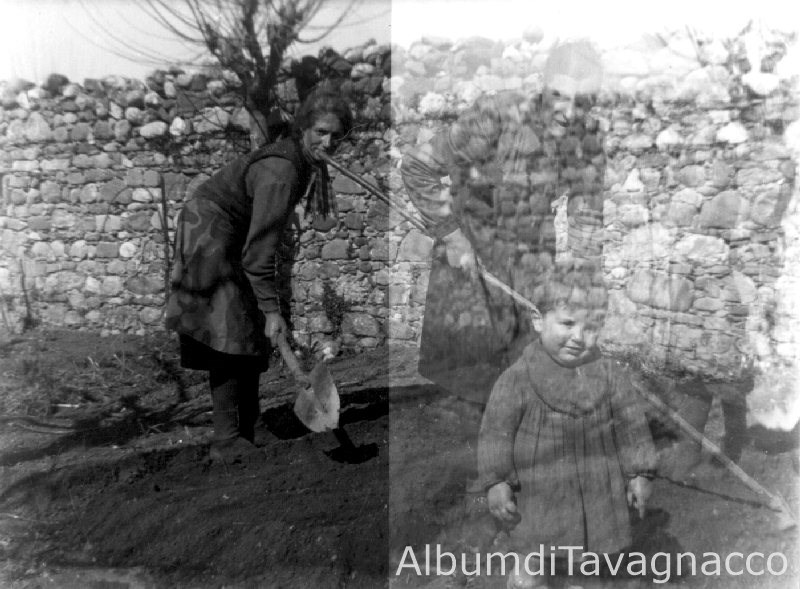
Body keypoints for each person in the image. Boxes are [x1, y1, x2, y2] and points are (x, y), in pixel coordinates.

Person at [400, 40, 606, 405]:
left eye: (583, 101)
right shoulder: (496, 115)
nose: (569, 112)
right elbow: (417, 166)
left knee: (531, 381)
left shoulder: (586, 140)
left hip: (532, 265)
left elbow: (586, 215)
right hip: (473, 261)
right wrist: (451, 236)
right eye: (559, 95)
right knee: (471, 387)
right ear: (543, 85)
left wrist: (581, 285)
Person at [165, 88, 353, 464]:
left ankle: (252, 425)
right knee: (226, 333)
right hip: (209, 232)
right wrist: (271, 310)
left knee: (248, 330)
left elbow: (261, 244)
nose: (328, 143)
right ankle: (226, 439)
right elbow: (259, 254)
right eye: (320, 132)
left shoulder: (302, 163)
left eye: (336, 136)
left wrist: (266, 309)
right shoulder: (283, 171)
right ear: (303, 129)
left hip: (231, 235)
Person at [477, 261, 657, 589]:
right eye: (567, 323)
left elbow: (631, 423)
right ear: (538, 320)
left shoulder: (610, 375)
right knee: (533, 560)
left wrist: (640, 473)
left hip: (596, 488)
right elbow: (495, 433)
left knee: (585, 562)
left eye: (590, 327)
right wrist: (496, 481)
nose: (578, 337)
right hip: (539, 495)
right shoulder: (517, 379)